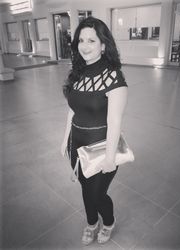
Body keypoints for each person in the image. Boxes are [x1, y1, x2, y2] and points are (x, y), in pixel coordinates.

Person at [61, 16, 128, 245]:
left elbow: (115, 121)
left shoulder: (113, 77)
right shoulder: (77, 74)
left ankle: (107, 221)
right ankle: (91, 222)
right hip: (76, 144)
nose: (85, 46)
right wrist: (64, 140)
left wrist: (110, 157)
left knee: (96, 193)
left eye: (92, 40)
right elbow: (73, 109)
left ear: (103, 44)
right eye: (81, 40)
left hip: (101, 148)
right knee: (86, 188)